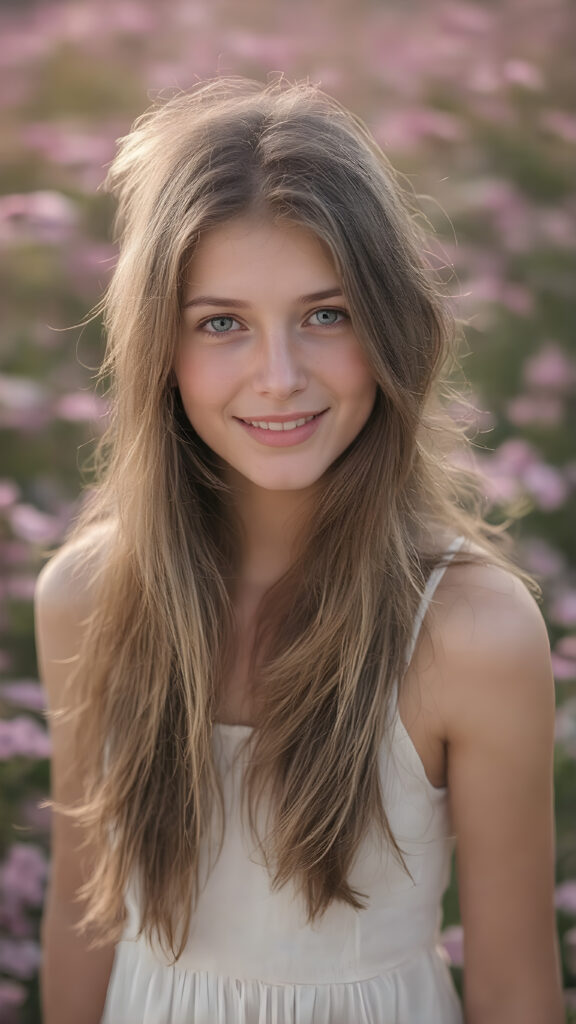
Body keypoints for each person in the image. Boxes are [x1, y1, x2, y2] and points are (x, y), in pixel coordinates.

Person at [34, 78, 564, 1024]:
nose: (278, 379)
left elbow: (516, 990)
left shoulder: (474, 634)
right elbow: (86, 920)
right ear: (160, 345)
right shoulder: (86, 594)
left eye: (327, 314)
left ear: (391, 327)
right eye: (222, 323)